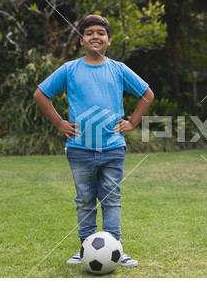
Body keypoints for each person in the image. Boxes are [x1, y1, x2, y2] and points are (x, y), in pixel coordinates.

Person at [33, 15, 154, 267]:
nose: (95, 36)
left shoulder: (118, 69)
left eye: (101, 32)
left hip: (113, 148)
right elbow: (40, 94)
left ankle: (115, 248)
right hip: (79, 149)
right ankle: (86, 247)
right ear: (81, 40)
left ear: (109, 40)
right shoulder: (70, 69)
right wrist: (59, 123)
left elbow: (146, 94)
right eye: (89, 33)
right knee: (85, 200)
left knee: (111, 199)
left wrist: (131, 122)